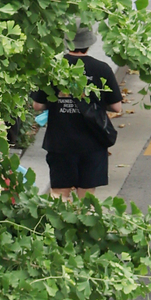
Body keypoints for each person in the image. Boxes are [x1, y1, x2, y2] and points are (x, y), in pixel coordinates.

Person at [31, 27, 123, 200]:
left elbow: (37, 105)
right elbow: (117, 107)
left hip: (60, 141)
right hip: (93, 142)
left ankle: (60, 225)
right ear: (89, 44)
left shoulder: (53, 68)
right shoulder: (101, 69)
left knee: (59, 193)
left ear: (67, 43)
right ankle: (83, 225)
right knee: (86, 197)